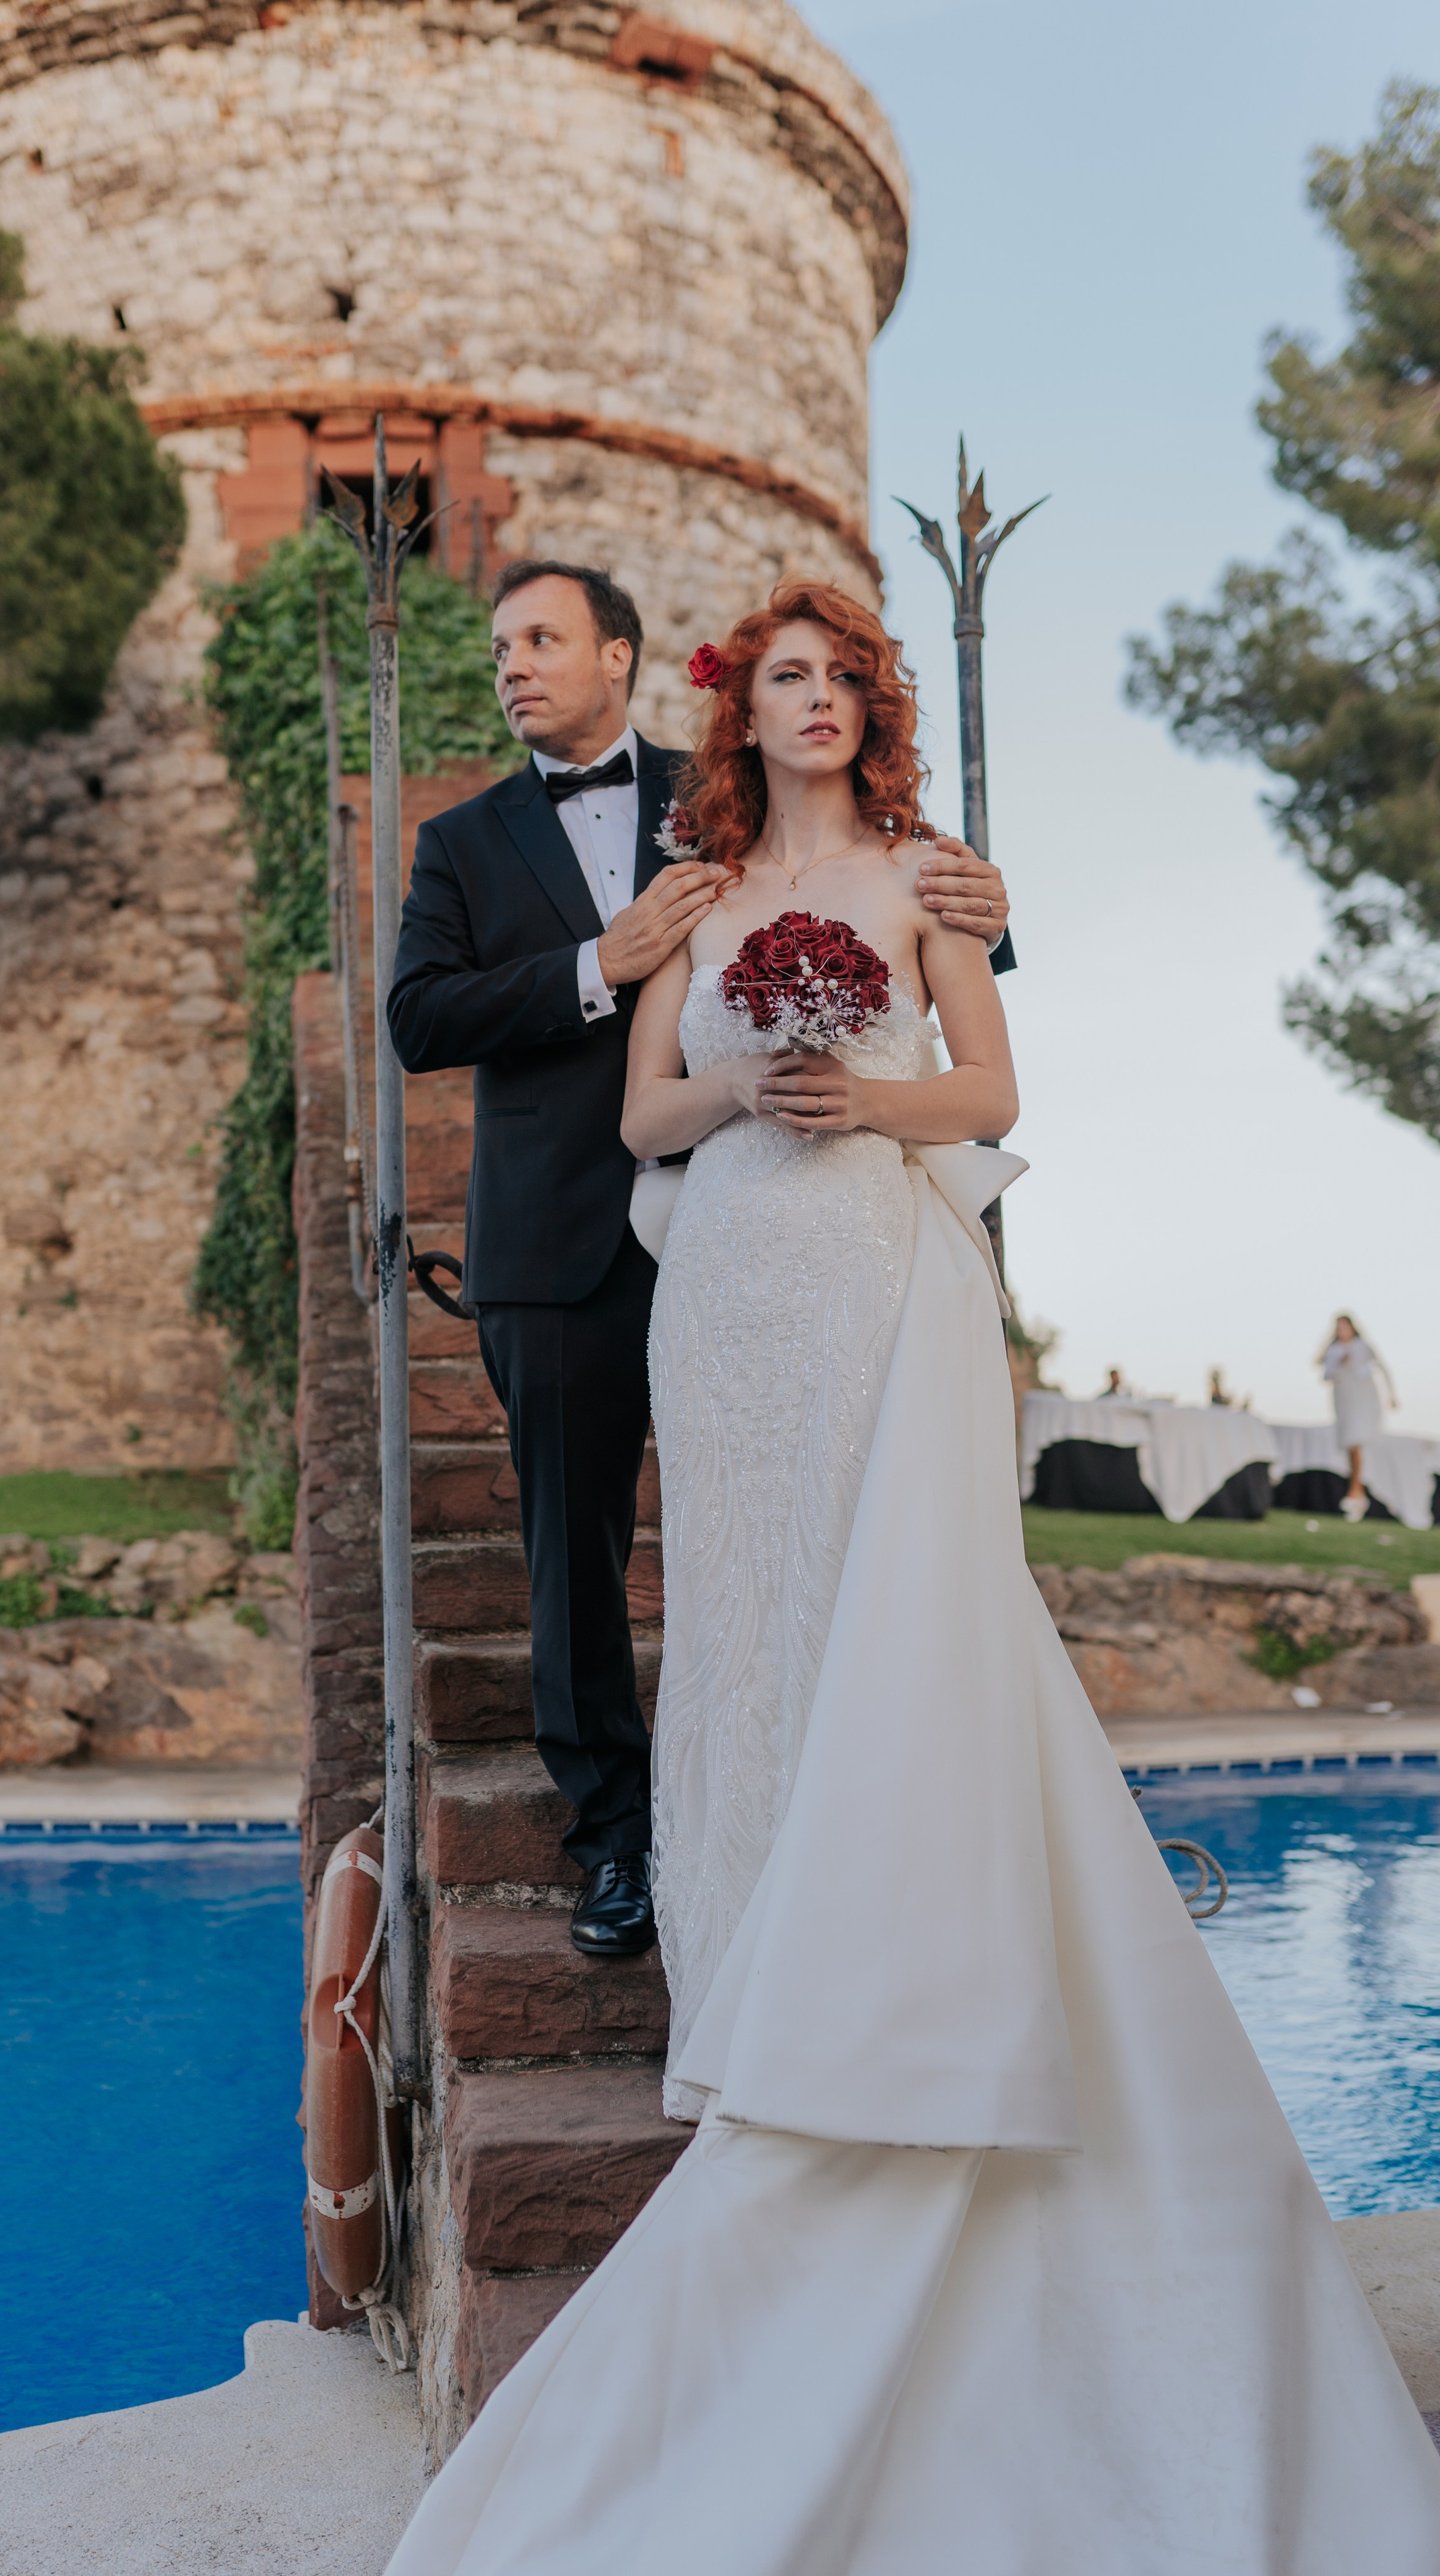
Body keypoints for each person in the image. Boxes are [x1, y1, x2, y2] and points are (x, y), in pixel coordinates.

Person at [385, 582, 1440, 2573]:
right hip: (730, 1301)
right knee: (753, 1641)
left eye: (832, 678)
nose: (804, 701)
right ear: (737, 712)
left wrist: (856, 1093)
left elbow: (992, 1095)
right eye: (775, 676)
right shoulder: (692, 897)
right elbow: (643, 1116)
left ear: (867, 709)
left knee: (904, 1623)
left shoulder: (933, 879)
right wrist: (738, 1080)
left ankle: (904, 1981)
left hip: (878, 1269)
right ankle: (763, 1982)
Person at [387, 559, 1011, 1957]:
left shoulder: (724, 791)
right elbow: (416, 1017)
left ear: (620, 655)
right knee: (576, 1546)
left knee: (815, 1530)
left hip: (795, 1226)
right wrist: (594, 964)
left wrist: (987, 893)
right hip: (562, 1234)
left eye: (539, 640)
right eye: (497, 650)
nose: (511, 668)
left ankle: (870, 1824)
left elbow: (905, 929)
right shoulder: (463, 843)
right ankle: (617, 1845)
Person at [1321, 1313, 1398, 1522]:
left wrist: (1392, 1395)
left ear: (1353, 1328)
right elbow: (1326, 1376)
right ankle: (1358, 1494)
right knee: (1350, 1446)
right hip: (1345, 1401)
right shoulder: (1334, 1350)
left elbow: (1382, 1367)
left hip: (1364, 1400)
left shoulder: (1363, 1346)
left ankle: (1355, 1492)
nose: (1342, 1331)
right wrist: (1339, 1364)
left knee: (1356, 1444)